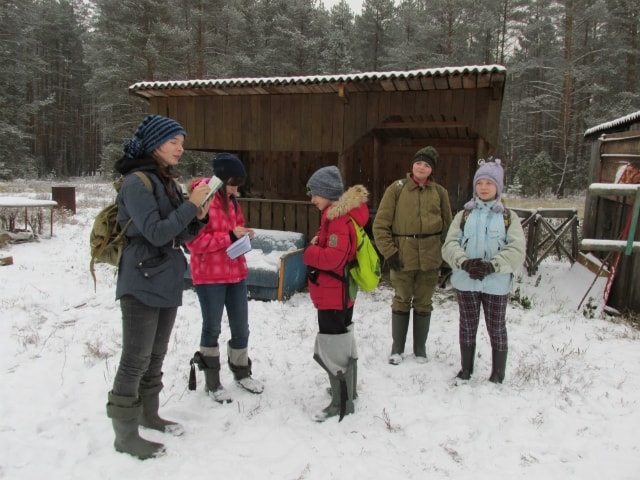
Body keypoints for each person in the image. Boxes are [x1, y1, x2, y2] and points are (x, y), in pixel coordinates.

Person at [106, 114, 211, 459]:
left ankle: (149, 414)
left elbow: (180, 233)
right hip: (140, 278)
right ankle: (124, 434)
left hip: (166, 277)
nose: (181, 148)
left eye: (182, 142)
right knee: (135, 358)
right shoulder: (137, 182)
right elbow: (155, 232)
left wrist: (200, 214)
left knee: (155, 354)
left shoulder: (165, 181)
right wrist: (190, 207)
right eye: (173, 142)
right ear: (154, 145)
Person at [186, 153, 264, 404]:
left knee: (242, 326)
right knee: (212, 327)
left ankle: (241, 372)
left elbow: (234, 230)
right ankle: (212, 381)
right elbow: (194, 243)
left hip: (235, 273)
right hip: (209, 276)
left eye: (238, 185)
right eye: (232, 184)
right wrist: (229, 237)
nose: (235, 189)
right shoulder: (202, 199)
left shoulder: (233, 202)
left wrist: (243, 235)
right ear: (220, 179)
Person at [442, 159, 526, 384]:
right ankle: (466, 370)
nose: (484, 187)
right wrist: (465, 263)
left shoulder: (508, 217)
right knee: (467, 325)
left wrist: (492, 266)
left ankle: (498, 374)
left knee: (496, 327)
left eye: (490, 182)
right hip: (466, 281)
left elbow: (517, 249)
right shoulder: (464, 216)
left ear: (498, 187)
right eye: (480, 182)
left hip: (496, 283)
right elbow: (450, 245)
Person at [373, 146, 452, 365]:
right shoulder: (396, 189)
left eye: (427, 165)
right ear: (412, 164)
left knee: (424, 302)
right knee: (401, 300)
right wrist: (390, 252)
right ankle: (397, 349)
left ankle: (420, 350)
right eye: (419, 163)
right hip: (403, 255)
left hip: (430, 256)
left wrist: (446, 258)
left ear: (432, 170)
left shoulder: (440, 193)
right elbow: (380, 225)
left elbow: (448, 227)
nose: (421, 167)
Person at [303, 165, 369, 422]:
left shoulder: (338, 218)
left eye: (315, 194)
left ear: (328, 193)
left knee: (333, 344)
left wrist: (308, 252)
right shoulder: (338, 215)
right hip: (339, 290)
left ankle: (342, 403)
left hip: (334, 291)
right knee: (341, 339)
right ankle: (347, 392)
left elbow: (333, 258)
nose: (312, 200)